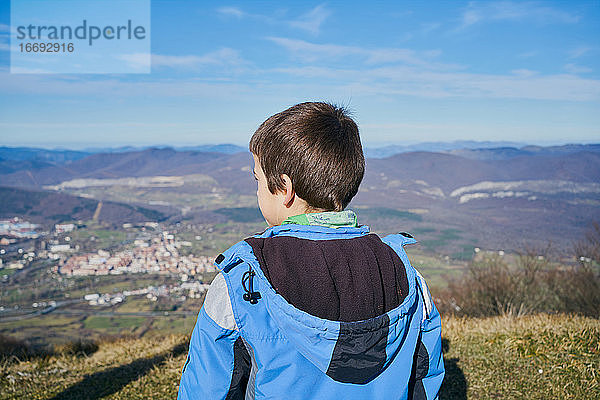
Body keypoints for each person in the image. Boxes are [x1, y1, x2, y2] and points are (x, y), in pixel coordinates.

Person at [178, 102, 444, 399]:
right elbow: (423, 377)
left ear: (285, 188)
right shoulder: (405, 275)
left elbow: (207, 388)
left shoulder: (241, 283)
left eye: (258, 179)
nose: (256, 190)